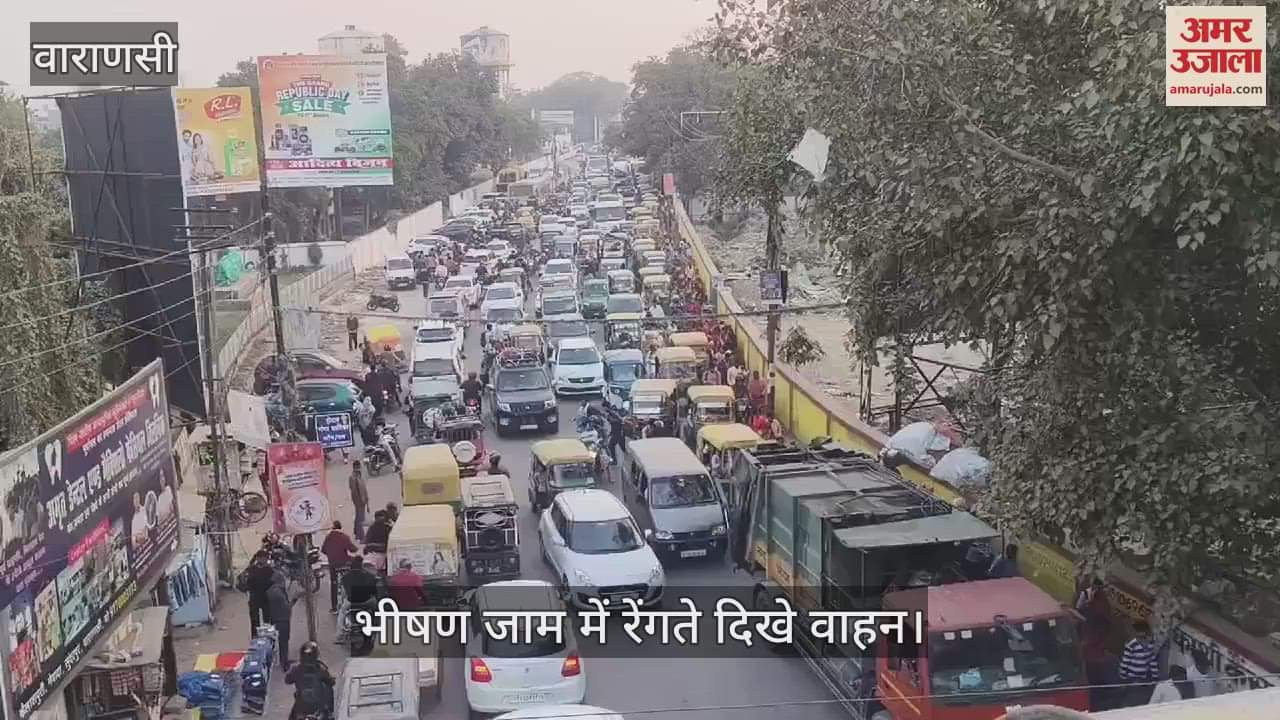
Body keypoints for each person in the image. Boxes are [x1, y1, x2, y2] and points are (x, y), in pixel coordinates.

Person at [285, 641, 334, 720]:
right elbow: (331, 682)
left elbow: (287, 681)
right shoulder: (321, 668)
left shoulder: (295, 668)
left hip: (301, 707)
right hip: (316, 708)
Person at [1118, 621, 1160, 707]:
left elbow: (1152, 661)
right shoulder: (1131, 645)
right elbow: (1124, 664)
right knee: (1130, 702)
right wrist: (1123, 680)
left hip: (1144, 679)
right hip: (1132, 679)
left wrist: (1155, 679)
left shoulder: (1150, 644)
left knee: (1141, 701)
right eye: (1141, 636)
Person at [320, 521, 356, 613]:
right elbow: (352, 549)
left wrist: (331, 554)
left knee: (333, 583)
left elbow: (323, 550)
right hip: (344, 562)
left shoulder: (328, 537)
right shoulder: (344, 537)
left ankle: (334, 607)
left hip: (332, 564)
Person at [245, 551, 275, 639]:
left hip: (267, 598)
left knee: (268, 620)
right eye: (262, 558)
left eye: (265, 558)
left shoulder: (270, 570)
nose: (264, 560)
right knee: (254, 621)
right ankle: (255, 638)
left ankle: (269, 640)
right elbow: (245, 583)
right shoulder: (251, 569)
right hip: (255, 597)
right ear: (258, 558)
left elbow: (275, 582)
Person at [266, 572, 293, 670]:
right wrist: (294, 599)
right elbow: (286, 607)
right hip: (281, 619)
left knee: (283, 641)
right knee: (283, 641)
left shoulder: (274, 591)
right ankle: (284, 663)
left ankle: (284, 660)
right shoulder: (277, 593)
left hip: (279, 618)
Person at [348, 461, 369, 542]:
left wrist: (366, 499)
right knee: (361, 519)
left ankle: (357, 533)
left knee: (358, 518)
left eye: (359, 467)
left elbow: (364, 488)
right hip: (359, 501)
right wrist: (360, 501)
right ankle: (362, 537)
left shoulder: (360, 476)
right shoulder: (352, 478)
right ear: (354, 468)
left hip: (363, 500)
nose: (358, 469)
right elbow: (353, 491)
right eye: (356, 467)